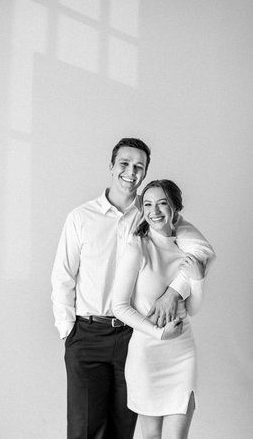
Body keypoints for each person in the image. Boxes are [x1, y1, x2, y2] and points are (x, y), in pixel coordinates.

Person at [51, 139, 215, 439]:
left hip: (134, 336)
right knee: (84, 430)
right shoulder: (81, 217)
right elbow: (63, 276)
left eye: (139, 166)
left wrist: (173, 292)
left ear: (144, 173)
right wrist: (68, 330)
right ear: (111, 167)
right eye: (124, 164)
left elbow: (202, 251)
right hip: (88, 334)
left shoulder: (152, 211)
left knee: (122, 430)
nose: (131, 171)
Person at [112, 179, 215, 439]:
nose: (154, 211)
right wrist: (158, 334)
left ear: (175, 209)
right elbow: (119, 306)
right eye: (147, 204)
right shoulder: (138, 247)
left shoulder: (187, 249)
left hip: (182, 352)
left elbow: (192, 309)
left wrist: (198, 279)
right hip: (147, 354)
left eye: (162, 203)